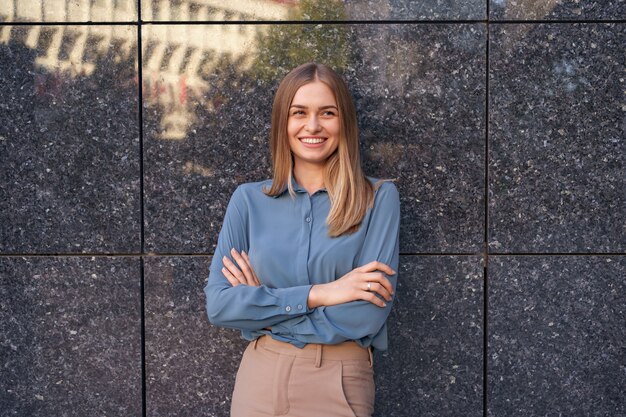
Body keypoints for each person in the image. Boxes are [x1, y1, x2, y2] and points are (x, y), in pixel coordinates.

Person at [203, 62, 400, 417]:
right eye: (299, 113)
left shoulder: (378, 198)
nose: (312, 126)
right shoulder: (248, 201)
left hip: (337, 382)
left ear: (345, 123)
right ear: (283, 123)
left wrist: (259, 308)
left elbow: (365, 314)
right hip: (258, 380)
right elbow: (219, 306)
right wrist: (322, 293)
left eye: (327, 112)